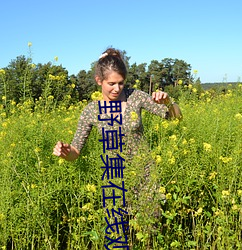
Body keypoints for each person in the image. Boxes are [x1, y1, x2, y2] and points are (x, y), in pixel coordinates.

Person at [53, 47, 182, 245]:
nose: (117, 88)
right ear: (99, 81)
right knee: (119, 239)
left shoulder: (135, 97)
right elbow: (76, 151)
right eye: (111, 83)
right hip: (114, 179)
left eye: (121, 83)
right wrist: (65, 152)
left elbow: (175, 119)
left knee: (150, 235)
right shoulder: (91, 111)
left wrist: (169, 102)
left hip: (145, 175)